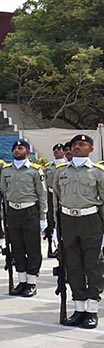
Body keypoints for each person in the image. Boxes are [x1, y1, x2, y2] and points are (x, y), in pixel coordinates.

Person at [53, 134, 104, 329]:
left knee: (93, 265)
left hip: (90, 220)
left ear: (91, 149)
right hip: (68, 219)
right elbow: (56, 199)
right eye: (75, 144)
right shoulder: (61, 171)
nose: (77, 147)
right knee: (73, 265)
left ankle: (92, 309)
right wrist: (58, 226)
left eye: (82, 144)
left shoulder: (98, 172)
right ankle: (79, 308)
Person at [0, 139, 47, 297]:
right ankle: (22, 280)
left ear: (27, 151)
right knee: (17, 248)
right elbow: (4, 193)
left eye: (20, 148)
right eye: (15, 148)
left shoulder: (34, 170)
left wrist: (43, 217)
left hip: (29, 211)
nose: (17, 150)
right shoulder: (6, 170)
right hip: (13, 212)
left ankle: (32, 282)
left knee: (32, 248)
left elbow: (42, 194)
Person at [44, 143, 66, 258]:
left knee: (61, 221)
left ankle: (61, 246)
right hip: (50, 194)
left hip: (62, 195)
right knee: (51, 221)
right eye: (55, 150)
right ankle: (52, 246)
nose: (57, 151)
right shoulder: (49, 167)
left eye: (60, 149)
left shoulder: (66, 166)